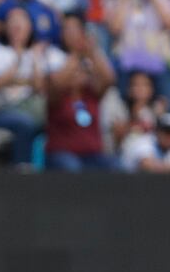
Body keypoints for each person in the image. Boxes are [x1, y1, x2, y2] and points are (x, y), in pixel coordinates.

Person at [45, 15, 117, 172]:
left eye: (81, 71)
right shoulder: (57, 96)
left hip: (93, 156)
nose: (78, 73)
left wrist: (92, 50)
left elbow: (110, 78)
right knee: (73, 168)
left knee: (118, 167)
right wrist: (77, 53)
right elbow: (56, 83)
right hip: (62, 155)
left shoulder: (91, 93)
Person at [0, 7, 48, 166]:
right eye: (13, 22)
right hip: (0, 109)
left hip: (29, 108)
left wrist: (34, 60)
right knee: (24, 122)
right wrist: (17, 59)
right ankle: (22, 167)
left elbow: (39, 88)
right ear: (5, 27)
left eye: (22, 22)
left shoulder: (34, 54)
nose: (17, 27)